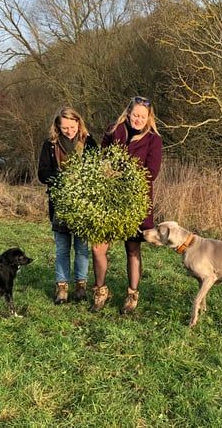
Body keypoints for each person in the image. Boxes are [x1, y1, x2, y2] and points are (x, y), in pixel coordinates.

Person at [91, 96, 162, 314]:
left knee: (132, 249)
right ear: (128, 113)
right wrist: (106, 170)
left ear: (149, 118)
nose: (138, 119)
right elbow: (101, 158)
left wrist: (125, 175)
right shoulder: (114, 130)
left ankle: (132, 294)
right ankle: (101, 290)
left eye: (143, 116)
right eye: (135, 115)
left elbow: (152, 172)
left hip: (135, 201)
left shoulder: (154, 139)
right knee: (98, 247)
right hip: (109, 198)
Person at [38, 107, 97, 304]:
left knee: (81, 249)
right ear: (57, 126)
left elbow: (97, 170)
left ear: (79, 123)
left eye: (72, 127)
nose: (69, 131)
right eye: (64, 128)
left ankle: (81, 286)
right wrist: (62, 179)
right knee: (62, 249)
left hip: (83, 205)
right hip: (59, 205)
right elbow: (42, 173)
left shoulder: (89, 142)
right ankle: (62, 288)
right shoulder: (50, 145)